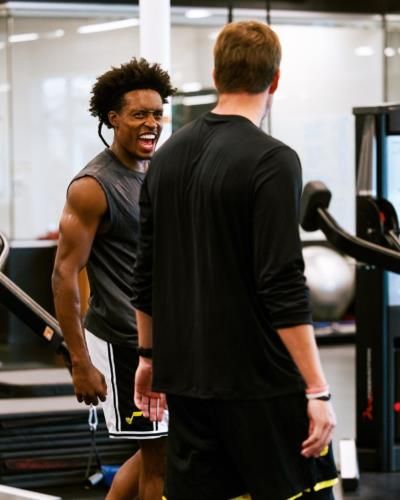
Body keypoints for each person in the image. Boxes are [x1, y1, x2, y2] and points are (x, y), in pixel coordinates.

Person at [133, 21, 338, 500]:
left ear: (216, 73)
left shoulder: (166, 158)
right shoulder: (273, 159)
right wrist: (317, 389)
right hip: (260, 385)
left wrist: (149, 356)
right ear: (276, 80)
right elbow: (281, 281)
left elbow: (146, 273)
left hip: (188, 380)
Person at [52, 58, 175, 500]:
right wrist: (80, 362)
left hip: (162, 340)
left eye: (158, 113)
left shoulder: (154, 171)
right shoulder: (92, 186)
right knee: (160, 462)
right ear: (113, 118)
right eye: (139, 114)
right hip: (124, 343)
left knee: (158, 453)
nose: (151, 124)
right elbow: (64, 275)